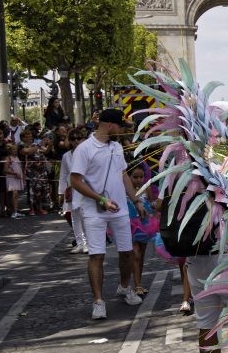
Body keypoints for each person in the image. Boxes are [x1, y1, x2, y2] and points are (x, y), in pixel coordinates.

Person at [68, 108, 145, 320]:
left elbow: (123, 175)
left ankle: (124, 287)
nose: (122, 131)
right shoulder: (84, 149)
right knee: (96, 255)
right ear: (110, 125)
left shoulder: (118, 147)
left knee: (127, 252)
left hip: (119, 208)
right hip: (95, 209)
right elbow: (75, 180)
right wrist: (100, 199)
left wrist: (136, 200)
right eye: (121, 126)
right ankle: (98, 301)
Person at [127, 164, 159, 296]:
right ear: (128, 177)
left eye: (141, 177)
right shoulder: (125, 190)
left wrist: (156, 206)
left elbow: (152, 203)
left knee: (141, 256)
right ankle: (137, 285)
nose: (139, 180)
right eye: (135, 177)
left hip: (144, 224)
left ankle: (138, 283)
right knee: (136, 254)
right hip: (129, 224)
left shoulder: (146, 189)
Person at [59, 130, 88, 253]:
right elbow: (63, 174)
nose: (76, 141)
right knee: (74, 216)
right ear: (70, 141)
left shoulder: (87, 153)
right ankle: (79, 242)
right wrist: (61, 192)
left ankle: (88, 242)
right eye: (73, 138)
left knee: (84, 216)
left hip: (85, 188)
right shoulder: (66, 156)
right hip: (72, 189)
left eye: (79, 138)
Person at [4, 144, 24, 219]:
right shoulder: (8, 158)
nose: (15, 151)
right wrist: (14, 173)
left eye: (16, 149)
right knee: (14, 194)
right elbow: (5, 170)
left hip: (18, 178)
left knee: (16, 195)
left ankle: (16, 210)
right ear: (10, 150)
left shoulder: (17, 157)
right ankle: (14, 211)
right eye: (13, 149)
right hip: (12, 178)